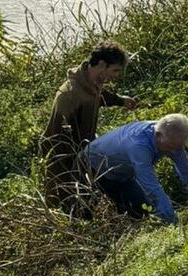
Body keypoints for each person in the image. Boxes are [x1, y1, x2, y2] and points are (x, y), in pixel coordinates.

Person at [40, 42, 139, 212]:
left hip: (83, 150)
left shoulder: (91, 81)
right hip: (62, 158)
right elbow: (59, 137)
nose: (115, 76)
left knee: (87, 201)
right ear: (101, 65)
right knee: (65, 204)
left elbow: (98, 96)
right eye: (114, 70)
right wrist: (77, 164)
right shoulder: (69, 94)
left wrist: (120, 100)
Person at [84, 115, 188, 224]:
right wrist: (170, 216)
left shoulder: (170, 138)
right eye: (170, 147)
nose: (173, 152)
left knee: (141, 212)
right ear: (158, 135)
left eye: (177, 148)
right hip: (91, 168)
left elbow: (186, 168)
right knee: (85, 215)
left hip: (122, 174)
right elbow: (150, 184)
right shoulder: (139, 145)